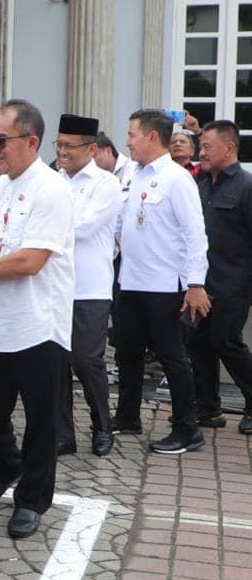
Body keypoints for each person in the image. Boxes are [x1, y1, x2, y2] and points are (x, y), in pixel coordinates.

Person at [0, 100, 74, 539]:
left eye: (0, 140)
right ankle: (8, 468)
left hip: (38, 324)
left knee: (41, 420)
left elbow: (30, 260)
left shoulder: (52, 189)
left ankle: (32, 500)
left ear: (31, 142)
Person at [113, 109, 210, 454]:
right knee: (127, 352)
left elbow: (195, 233)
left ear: (152, 137)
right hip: (132, 280)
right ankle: (127, 416)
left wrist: (195, 283)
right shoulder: (132, 175)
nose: (128, 141)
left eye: (132, 134)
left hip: (165, 284)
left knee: (172, 356)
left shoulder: (176, 178)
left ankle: (188, 429)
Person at [52, 115, 122, 457]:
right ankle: (63, 434)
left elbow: (82, 227)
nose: (62, 152)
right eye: (59, 144)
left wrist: (47, 226)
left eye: (69, 146)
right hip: (54, 285)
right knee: (56, 362)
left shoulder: (105, 184)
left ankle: (102, 426)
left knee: (86, 360)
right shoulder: (53, 181)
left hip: (90, 287)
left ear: (92, 149)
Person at [190, 120, 252, 434]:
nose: (201, 152)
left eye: (207, 147)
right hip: (200, 282)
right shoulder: (199, 185)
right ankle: (209, 409)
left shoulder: (246, 186)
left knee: (227, 343)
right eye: (200, 146)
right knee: (199, 343)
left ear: (229, 148)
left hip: (234, 284)